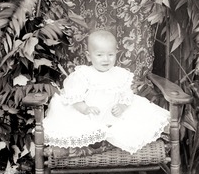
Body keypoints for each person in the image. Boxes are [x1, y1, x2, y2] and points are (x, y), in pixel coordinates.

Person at [42, 30, 170, 154]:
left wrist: (122, 106)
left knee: (138, 116)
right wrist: (85, 109)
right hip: (88, 116)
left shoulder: (120, 75)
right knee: (75, 123)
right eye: (99, 55)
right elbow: (74, 98)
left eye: (110, 55)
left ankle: (112, 136)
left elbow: (126, 96)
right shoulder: (83, 74)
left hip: (112, 116)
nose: (105, 59)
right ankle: (91, 140)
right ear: (88, 56)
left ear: (116, 53)